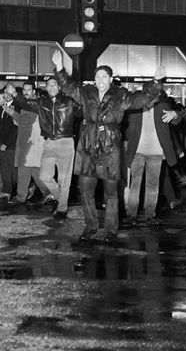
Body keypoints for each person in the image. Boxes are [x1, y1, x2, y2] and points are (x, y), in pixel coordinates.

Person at [52, 49, 162, 243]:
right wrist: (60, 68)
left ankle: (111, 229)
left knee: (111, 192)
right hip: (87, 147)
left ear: (111, 79)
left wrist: (155, 82)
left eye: (104, 76)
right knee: (85, 189)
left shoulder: (121, 95)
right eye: (97, 76)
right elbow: (68, 87)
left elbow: (142, 99)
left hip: (110, 148)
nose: (100, 79)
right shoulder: (86, 93)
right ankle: (91, 225)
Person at [122, 84, 181, 227]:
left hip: (156, 152)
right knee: (135, 185)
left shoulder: (162, 106)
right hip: (137, 152)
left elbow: (177, 120)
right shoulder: (135, 107)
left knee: (153, 187)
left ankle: (149, 215)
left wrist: (176, 113)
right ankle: (131, 215)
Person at [4, 82, 49, 206]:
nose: (26, 92)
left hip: (31, 143)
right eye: (24, 90)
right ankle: (49, 193)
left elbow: (25, 121)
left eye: (29, 90)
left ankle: (21, 196)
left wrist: (12, 113)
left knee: (24, 168)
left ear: (34, 91)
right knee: (35, 170)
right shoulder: (27, 104)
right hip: (29, 141)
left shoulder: (34, 104)